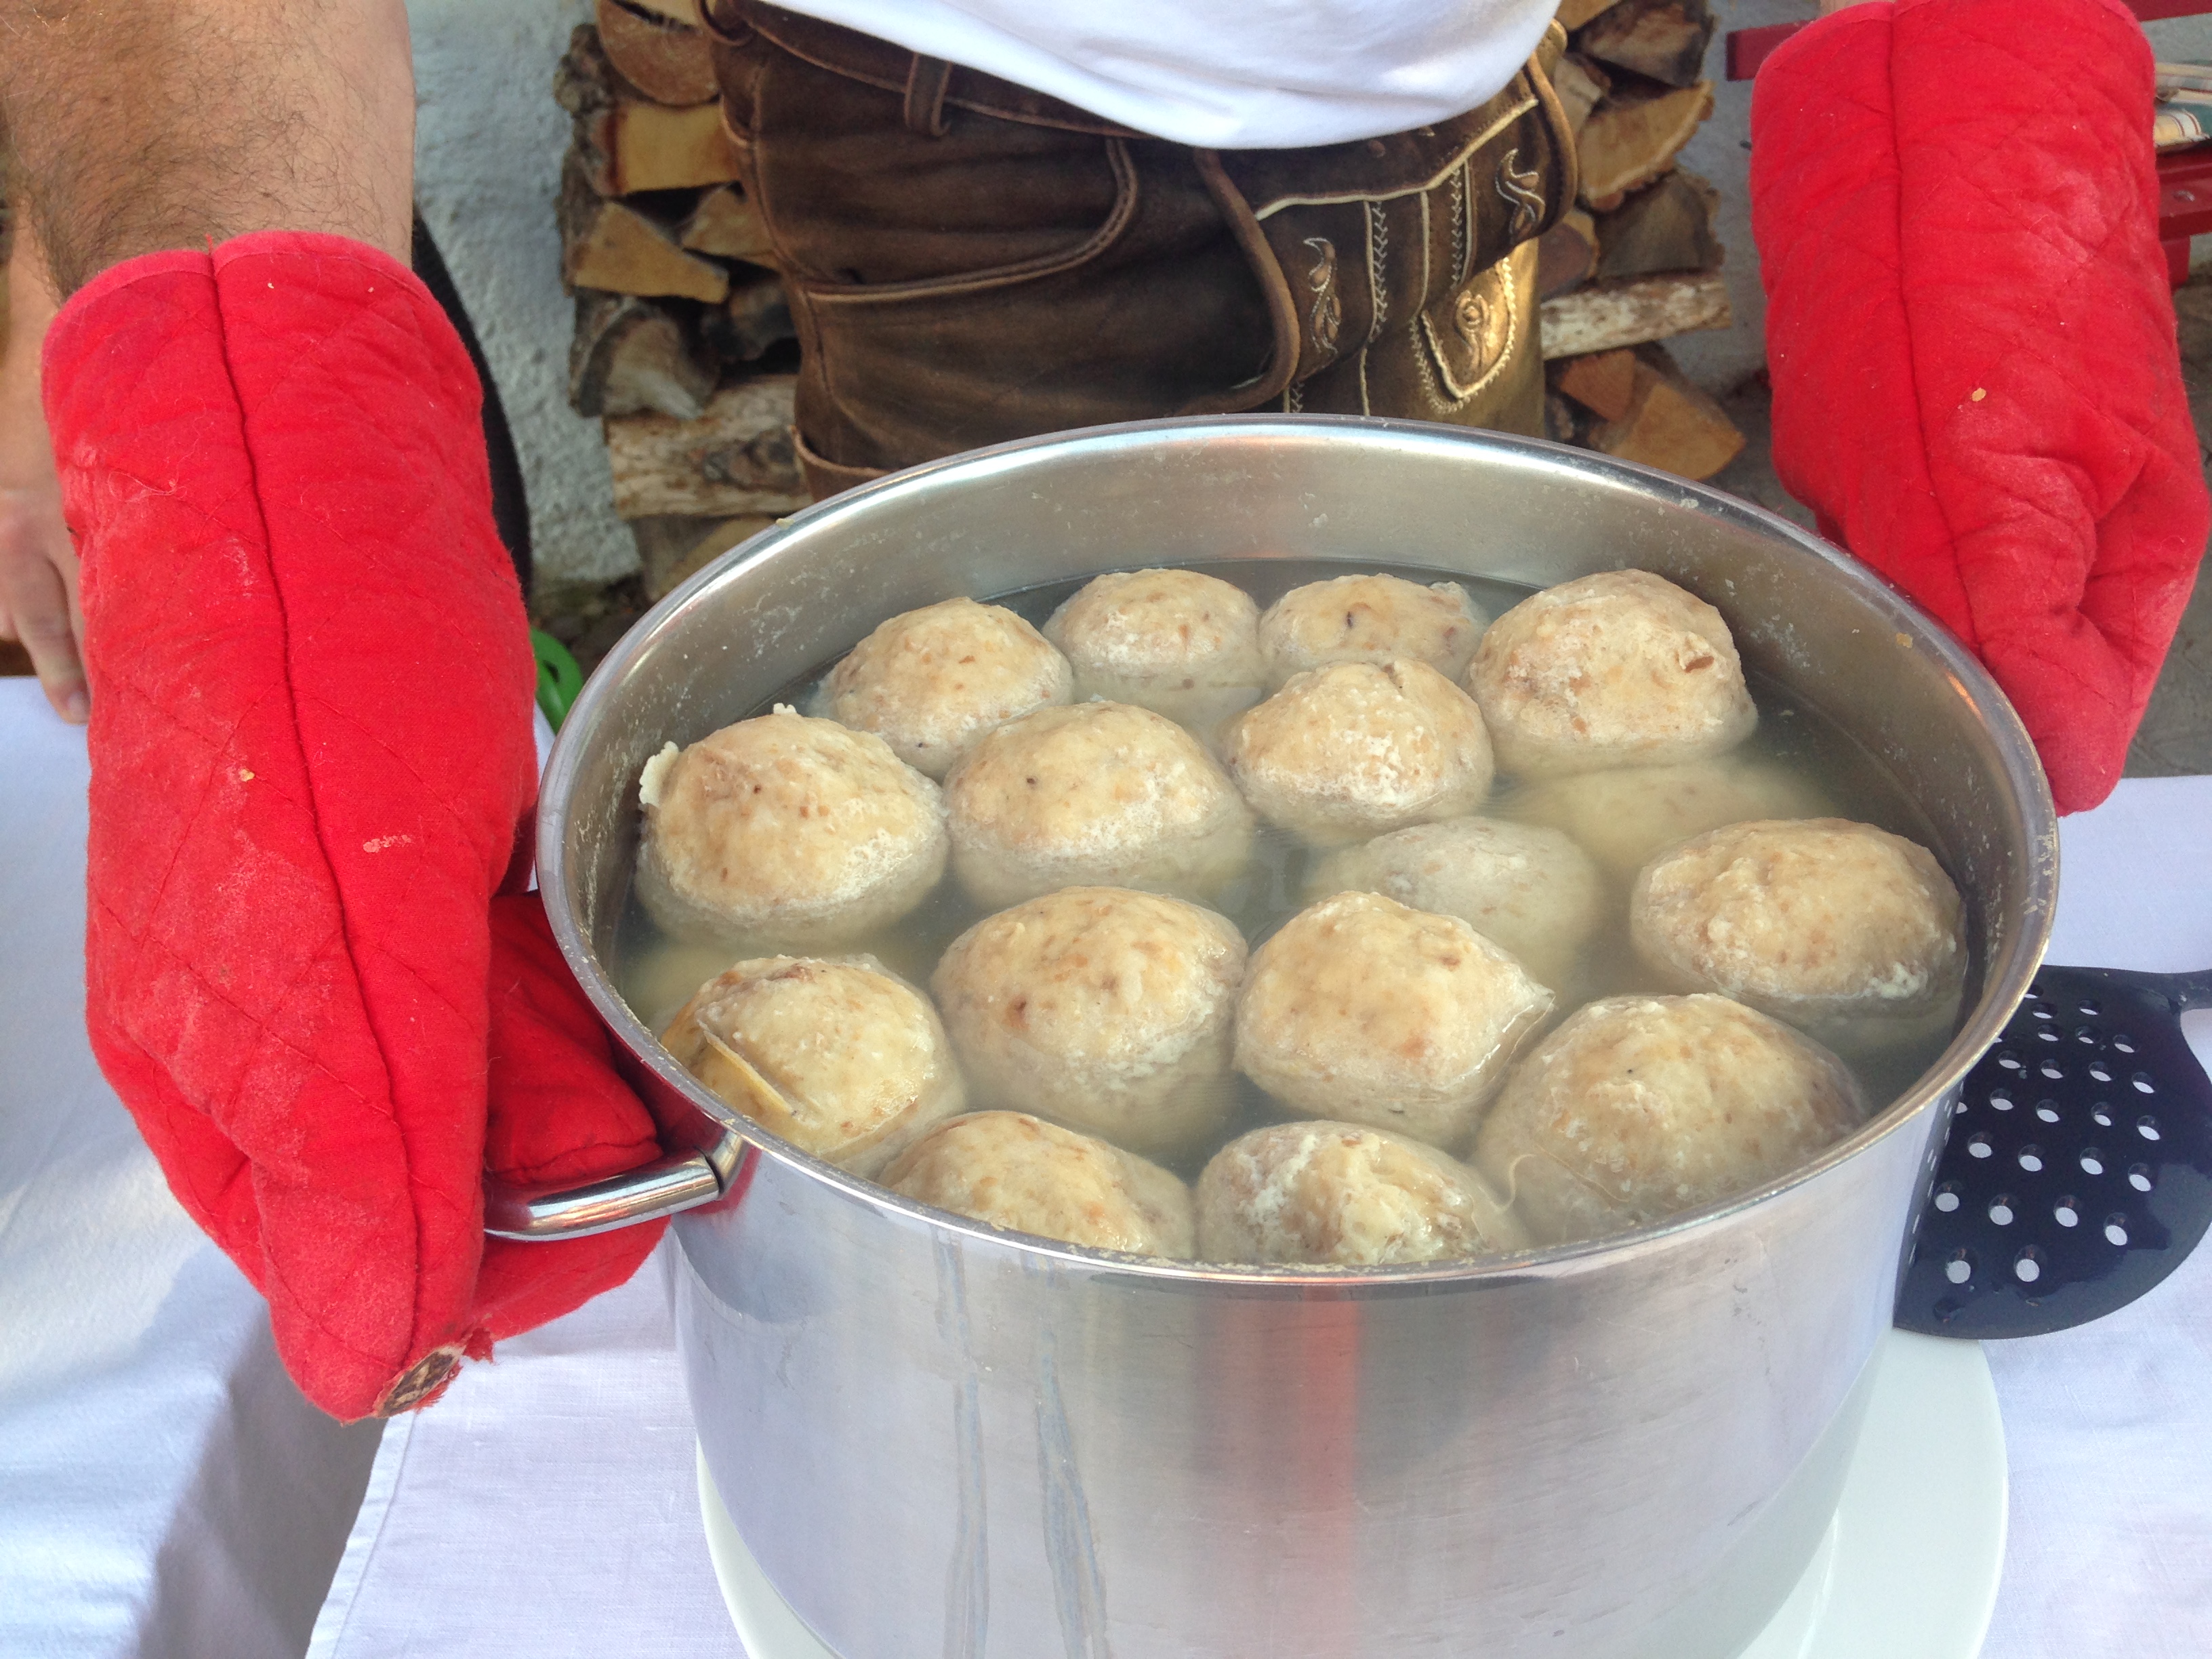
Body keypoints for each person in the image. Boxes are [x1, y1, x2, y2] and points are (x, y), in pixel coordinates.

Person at [0, 0, 2198, 1420]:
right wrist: (218, 344)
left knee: (1473, 564)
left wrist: (1975, 54)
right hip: (972, 129)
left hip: (1491, 89)